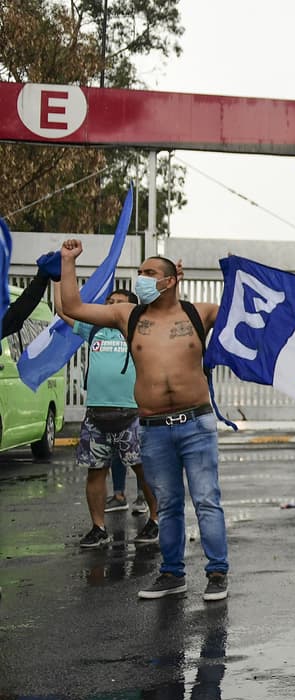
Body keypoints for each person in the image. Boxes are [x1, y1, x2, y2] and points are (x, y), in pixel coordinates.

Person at [57, 240, 231, 602]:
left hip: (196, 425)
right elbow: (71, 306)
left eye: (149, 273)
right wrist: (68, 261)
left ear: (169, 281)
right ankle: (171, 574)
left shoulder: (200, 313)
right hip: (152, 429)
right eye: (140, 273)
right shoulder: (128, 317)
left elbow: (249, 311)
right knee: (167, 505)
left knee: (206, 501)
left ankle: (217, 573)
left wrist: (240, 275)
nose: (141, 279)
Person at [52, 285, 159, 548]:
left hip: (132, 414)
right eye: (109, 302)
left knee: (143, 472)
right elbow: (63, 308)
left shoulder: (138, 330)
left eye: (118, 303)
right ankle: (98, 528)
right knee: (95, 472)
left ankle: (155, 521)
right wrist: (58, 278)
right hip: (96, 415)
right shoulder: (94, 329)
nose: (111, 307)